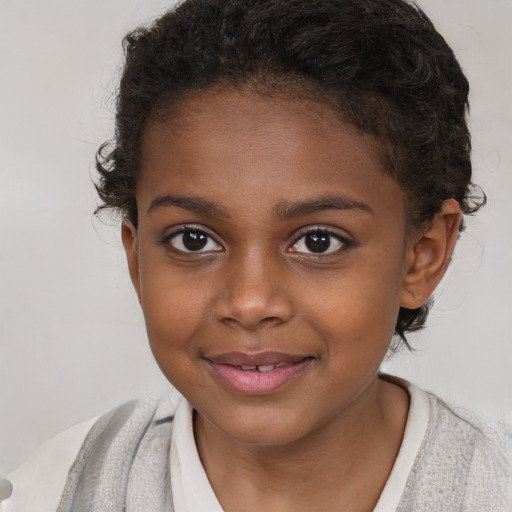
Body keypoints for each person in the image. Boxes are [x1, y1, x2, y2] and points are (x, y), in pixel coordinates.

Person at [1, 0, 511, 510]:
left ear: (421, 256)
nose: (249, 302)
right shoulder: (52, 492)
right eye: (193, 240)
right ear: (137, 262)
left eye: (318, 241)